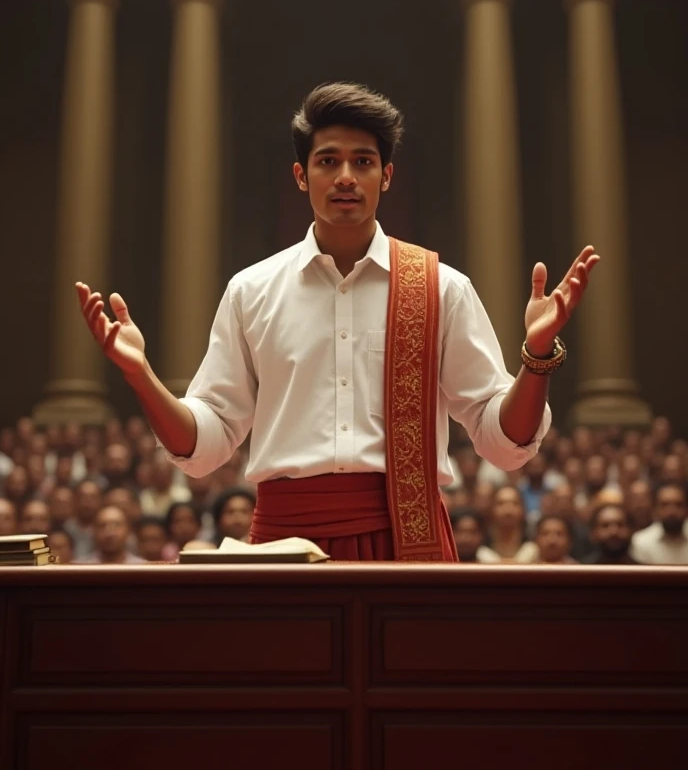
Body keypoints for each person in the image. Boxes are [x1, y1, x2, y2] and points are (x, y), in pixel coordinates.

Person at [76, 82, 599, 562]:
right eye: (328, 161)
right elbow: (206, 444)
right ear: (301, 175)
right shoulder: (252, 290)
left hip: (406, 536)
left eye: (363, 162)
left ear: (386, 176)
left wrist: (537, 359)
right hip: (284, 540)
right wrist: (139, 375)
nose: (346, 177)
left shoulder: (440, 287)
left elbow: (501, 444)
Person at [630, 483, 688, 565]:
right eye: (665, 505)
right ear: (656, 509)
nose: (672, 511)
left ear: (686, 508)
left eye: (678, 505)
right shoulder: (641, 541)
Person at [480, 485, 539, 563]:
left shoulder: (534, 551)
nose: (508, 509)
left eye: (514, 503)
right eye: (501, 503)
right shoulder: (480, 553)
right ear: (491, 509)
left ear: (523, 509)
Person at [77, 505, 146, 564]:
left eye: (116, 525)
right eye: (102, 526)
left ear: (128, 531)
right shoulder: (78, 569)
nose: (110, 533)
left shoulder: (143, 568)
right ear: (94, 531)